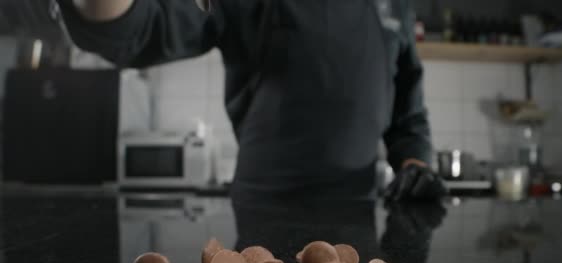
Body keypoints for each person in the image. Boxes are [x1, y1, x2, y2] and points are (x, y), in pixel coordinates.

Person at [56, 0, 447, 201]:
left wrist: (415, 167)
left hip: (359, 210)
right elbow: (146, 28)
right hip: (266, 210)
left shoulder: (395, 2)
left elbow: (408, 111)